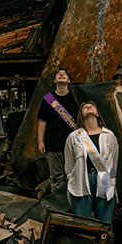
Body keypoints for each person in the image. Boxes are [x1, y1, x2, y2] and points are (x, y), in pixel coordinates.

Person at [63, 101, 119, 225]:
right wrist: (72, 179)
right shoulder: (74, 137)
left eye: (92, 106)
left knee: (105, 225)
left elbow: (114, 160)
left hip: (105, 181)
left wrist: (111, 180)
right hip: (81, 182)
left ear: (98, 113)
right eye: (84, 107)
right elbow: (69, 164)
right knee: (82, 225)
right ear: (80, 115)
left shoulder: (109, 135)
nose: (88, 107)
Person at [37, 67, 79, 198]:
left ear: (69, 80)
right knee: (56, 177)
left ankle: (72, 202)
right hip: (52, 143)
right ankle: (58, 204)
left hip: (71, 144)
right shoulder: (48, 99)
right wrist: (40, 141)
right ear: (55, 80)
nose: (61, 75)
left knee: (72, 176)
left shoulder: (74, 98)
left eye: (64, 74)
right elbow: (42, 121)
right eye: (58, 74)